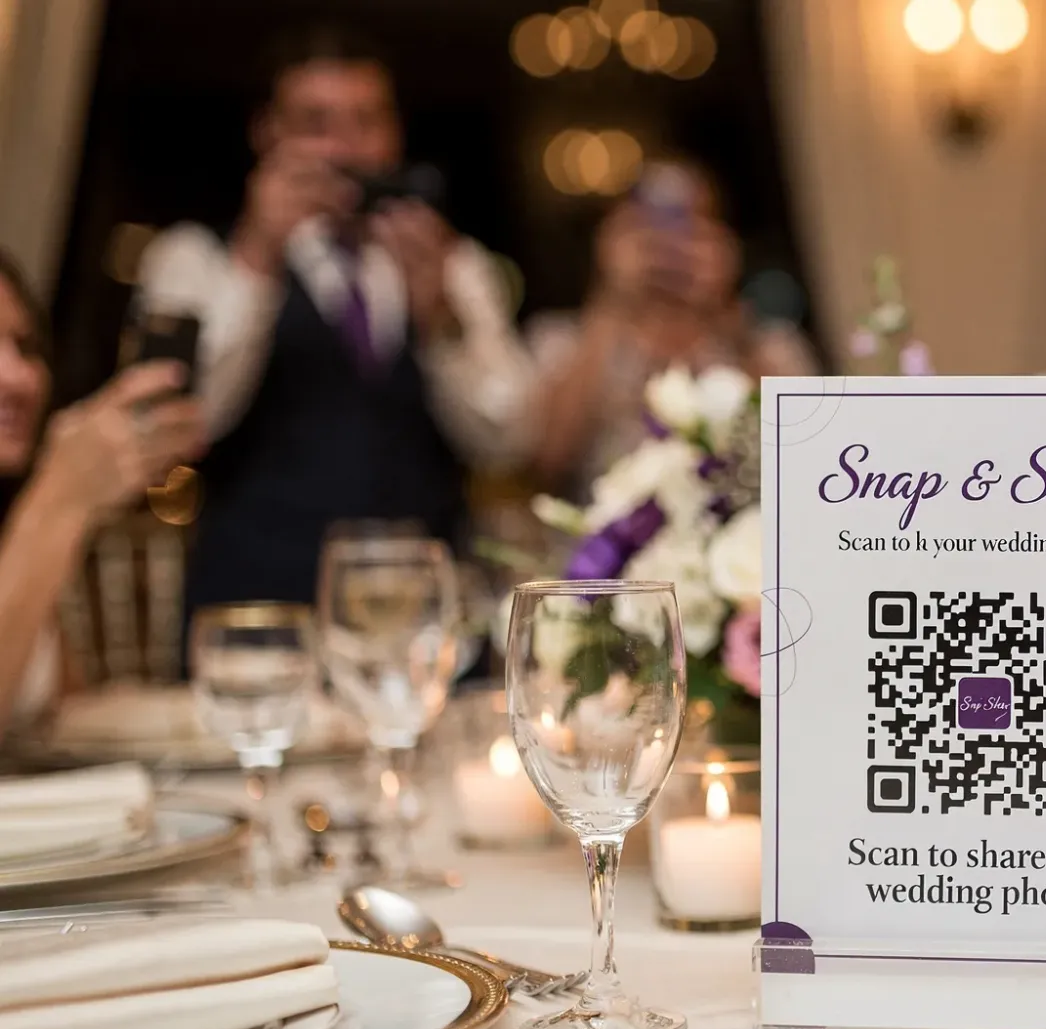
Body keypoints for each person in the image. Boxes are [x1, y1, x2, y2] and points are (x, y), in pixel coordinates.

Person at [134, 26, 537, 612]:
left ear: (395, 132)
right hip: (256, 612)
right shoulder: (192, 258)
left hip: (420, 619)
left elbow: (510, 442)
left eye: (366, 122)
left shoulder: (455, 262)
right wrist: (257, 256)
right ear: (267, 133)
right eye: (317, 125)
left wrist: (443, 322)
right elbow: (182, 425)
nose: (346, 151)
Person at [0, 252, 207, 726]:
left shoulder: (13, 523)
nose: (20, 377)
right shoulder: (43, 512)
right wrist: (61, 495)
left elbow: (62, 720)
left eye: (26, 347)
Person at [528, 158, 814, 496]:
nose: (670, 249)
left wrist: (725, 309)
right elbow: (548, 461)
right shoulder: (562, 339)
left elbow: (807, 448)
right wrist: (611, 300)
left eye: (691, 229)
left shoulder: (765, 341)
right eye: (648, 230)